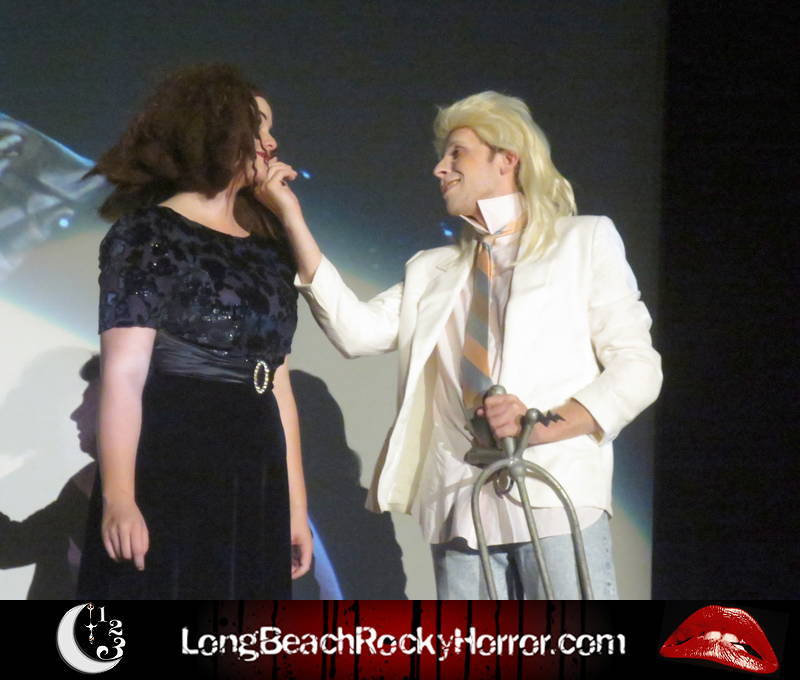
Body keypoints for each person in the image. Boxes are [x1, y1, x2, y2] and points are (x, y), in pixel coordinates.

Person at [262, 91, 662, 599]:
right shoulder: (433, 270)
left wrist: (540, 426)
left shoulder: (583, 242)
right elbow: (355, 332)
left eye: (458, 153)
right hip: (461, 506)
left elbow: (638, 368)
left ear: (507, 160)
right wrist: (292, 219)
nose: (440, 168)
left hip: (556, 498)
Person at [77, 64, 312, 599]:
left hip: (255, 463)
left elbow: (277, 382)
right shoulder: (150, 233)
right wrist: (118, 497)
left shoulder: (268, 250)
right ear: (216, 130)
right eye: (259, 126)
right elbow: (125, 372)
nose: (272, 142)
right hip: (177, 454)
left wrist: (295, 508)